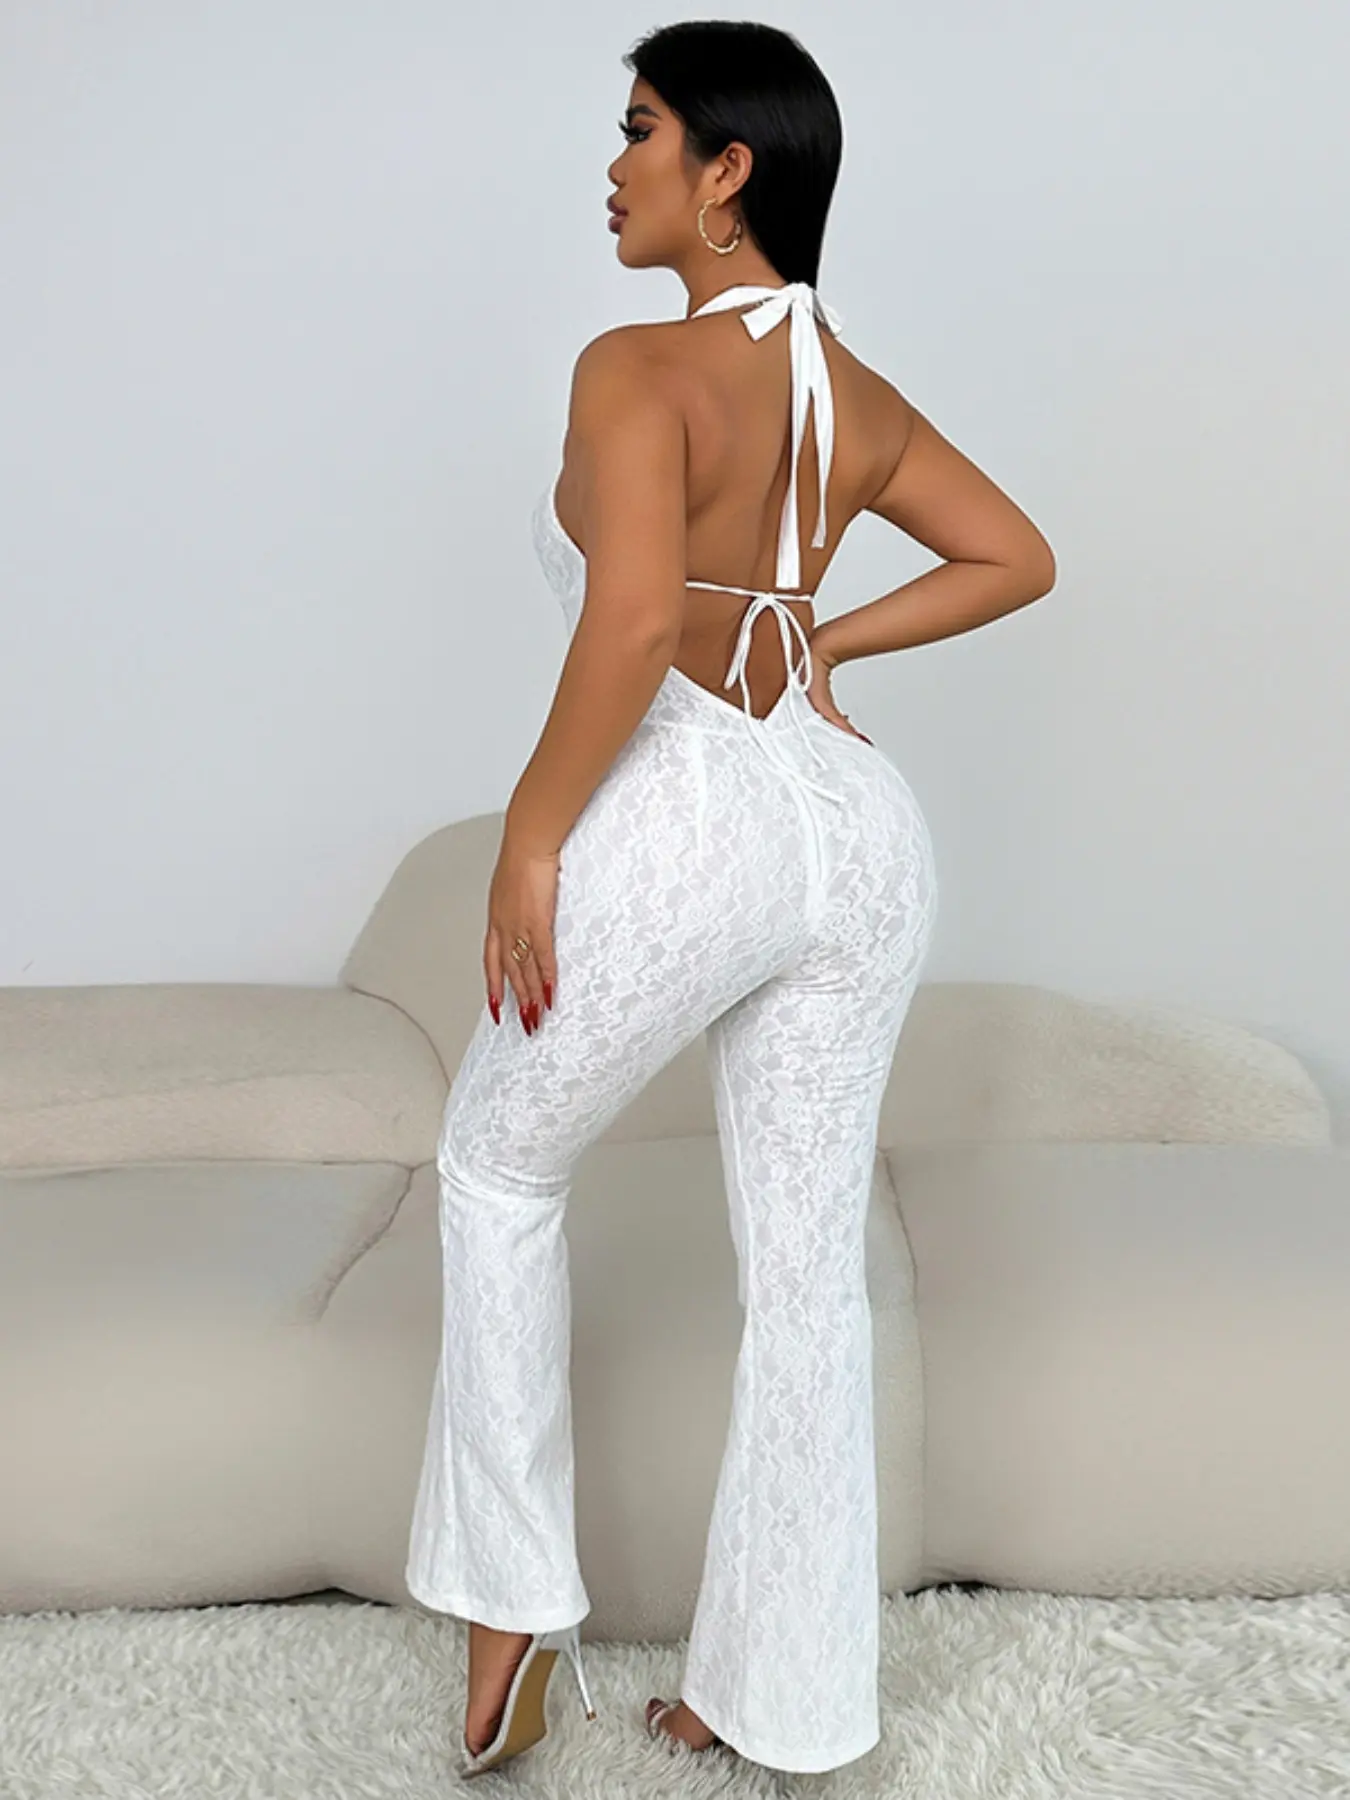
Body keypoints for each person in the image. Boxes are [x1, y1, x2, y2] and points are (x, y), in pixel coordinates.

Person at [404, 18, 1056, 1781]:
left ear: (727, 171)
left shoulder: (635, 368)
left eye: (638, 130)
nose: (609, 166)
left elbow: (633, 625)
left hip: (697, 806)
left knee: (494, 1166)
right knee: (807, 1278)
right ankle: (782, 1703)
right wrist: (827, 640)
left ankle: (506, 1609)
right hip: (858, 832)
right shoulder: (859, 394)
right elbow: (1016, 555)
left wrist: (532, 835)